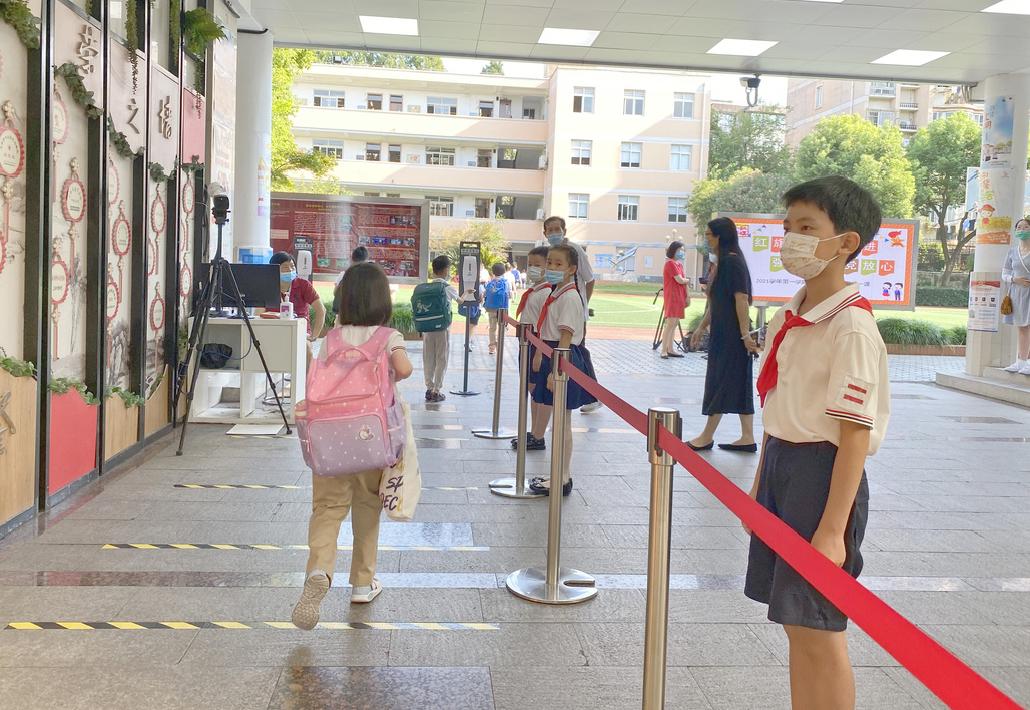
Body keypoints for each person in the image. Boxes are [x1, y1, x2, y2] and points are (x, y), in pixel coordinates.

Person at [746, 176, 889, 710]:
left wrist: (832, 529)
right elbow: (777, 407)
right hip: (782, 467)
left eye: (807, 228)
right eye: (788, 227)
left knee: (819, 628)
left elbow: (854, 433)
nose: (792, 239)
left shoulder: (850, 326)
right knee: (795, 623)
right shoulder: (792, 314)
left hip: (821, 477)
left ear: (846, 242)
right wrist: (759, 487)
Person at [292, 262, 413, 629]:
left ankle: (319, 570)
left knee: (327, 509)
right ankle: (362, 582)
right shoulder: (388, 336)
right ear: (381, 300)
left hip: (329, 438)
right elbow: (404, 369)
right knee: (367, 508)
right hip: (370, 438)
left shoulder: (330, 339)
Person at [528, 245, 596, 495]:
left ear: (572, 269)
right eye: (550, 263)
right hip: (552, 352)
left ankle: (562, 475)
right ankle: (558, 473)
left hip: (561, 355)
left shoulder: (569, 296)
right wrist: (540, 354)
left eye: (559, 264)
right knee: (559, 421)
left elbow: (565, 336)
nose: (552, 268)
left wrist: (555, 370)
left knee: (562, 421)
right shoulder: (557, 293)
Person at [688, 218, 759, 453]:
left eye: (709, 235)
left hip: (731, 336)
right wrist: (701, 327)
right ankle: (747, 436)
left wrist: (744, 335)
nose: (707, 239)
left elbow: (741, 299)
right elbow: (717, 303)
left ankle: (706, 436)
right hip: (725, 333)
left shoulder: (731, 262)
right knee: (738, 382)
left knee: (719, 381)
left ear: (720, 236)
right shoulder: (724, 263)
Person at [542, 216, 602, 414]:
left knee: (577, 350)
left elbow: (590, 279)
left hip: (572, 309)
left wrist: (583, 305)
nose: (553, 233)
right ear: (545, 233)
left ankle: (592, 394)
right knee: (559, 348)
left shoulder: (575, 251)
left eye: (557, 229)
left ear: (564, 231)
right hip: (556, 306)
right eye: (550, 230)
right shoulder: (549, 252)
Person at [511, 246, 551, 451]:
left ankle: (538, 434)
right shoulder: (535, 291)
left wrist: (539, 353)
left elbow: (544, 325)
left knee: (539, 391)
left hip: (537, 344)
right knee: (531, 388)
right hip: (527, 343)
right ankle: (534, 430)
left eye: (538, 265)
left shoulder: (546, 292)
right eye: (530, 264)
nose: (532, 268)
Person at [422, 255, 459, 402]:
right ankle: (436, 390)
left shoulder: (426, 287)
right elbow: (460, 301)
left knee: (428, 358)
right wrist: (467, 293)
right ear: (445, 270)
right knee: (441, 358)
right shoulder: (447, 287)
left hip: (427, 328)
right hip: (442, 328)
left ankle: (429, 387)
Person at [270, 251, 326, 346]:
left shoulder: (304, 285)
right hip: (274, 332)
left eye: (292, 267)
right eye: (285, 267)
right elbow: (259, 314)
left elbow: (321, 310)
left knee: (306, 348)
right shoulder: (268, 287)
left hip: (301, 332)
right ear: (273, 270)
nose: (290, 270)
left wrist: (314, 336)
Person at [1003, 217, 1030, 374]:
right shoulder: (1012, 252)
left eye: (1025, 227)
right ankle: (1021, 362)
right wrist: (1015, 279)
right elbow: (1005, 274)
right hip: (1018, 293)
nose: (1022, 230)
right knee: (1022, 327)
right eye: (1019, 227)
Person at [660, 240, 690, 358]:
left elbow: (683, 282)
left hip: (679, 296)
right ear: (674, 251)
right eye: (679, 250)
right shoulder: (670, 264)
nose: (681, 252)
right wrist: (687, 280)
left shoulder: (679, 265)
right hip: (672, 296)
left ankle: (670, 348)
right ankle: (664, 350)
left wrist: (687, 296)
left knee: (675, 323)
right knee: (670, 323)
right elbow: (680, 280)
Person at [484, 262, 511, 356]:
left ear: (493, 272)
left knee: (492, 328)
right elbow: (509, 295)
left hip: (491, 309)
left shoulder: (490, 283)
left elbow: (485, 294)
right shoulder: (505, 283)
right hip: (502, 309)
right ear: (504, 271)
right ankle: (499, 346)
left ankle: (492, 347)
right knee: (502, 328)